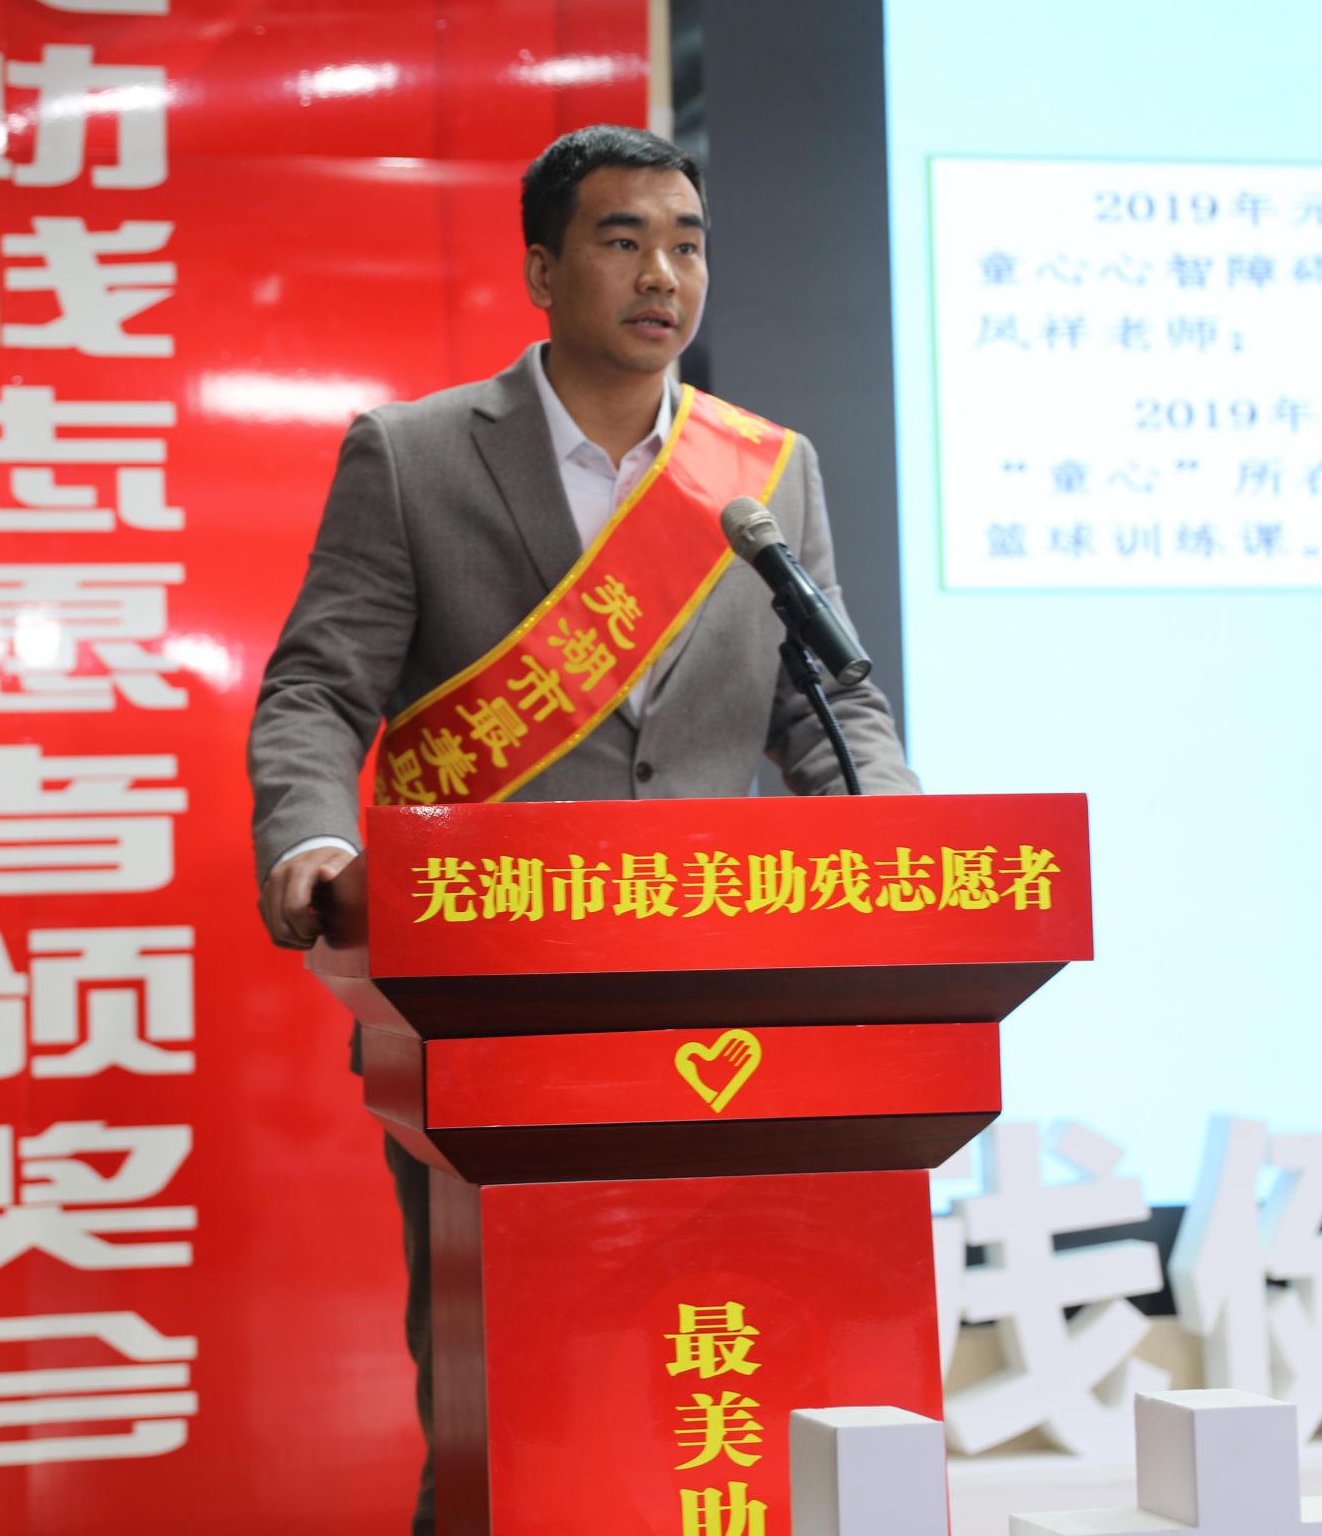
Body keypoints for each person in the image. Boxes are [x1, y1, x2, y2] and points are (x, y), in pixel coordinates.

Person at [245, 124, 917, 1535]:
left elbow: (827, 708)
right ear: (544, 271)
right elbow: (319, 687)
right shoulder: (414, 456)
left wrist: (898, 852)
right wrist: (311, 840)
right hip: (490, 1007)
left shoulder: (765, 471)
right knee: (509, 1402)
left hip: (721, 1009)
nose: (664, 273)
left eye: (688, 242)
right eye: (624, 241)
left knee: (709, 1386)